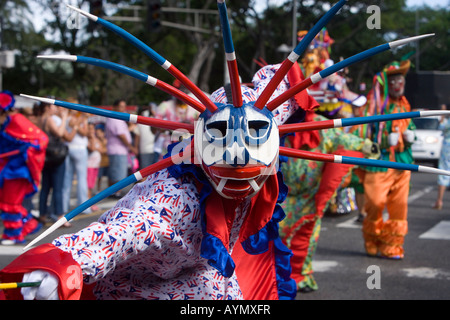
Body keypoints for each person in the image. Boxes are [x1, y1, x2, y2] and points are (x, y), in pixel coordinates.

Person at [359, 59, 416, 259]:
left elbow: (410, 126)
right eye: (394, 81)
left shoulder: (405, 105)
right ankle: (372, 240)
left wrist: (410, 137)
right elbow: (361, 138)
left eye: (401, 80)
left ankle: (392, 246)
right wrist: (383, 142)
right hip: (379, 164)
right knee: (374, 203)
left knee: (399, 207)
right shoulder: (374, 106)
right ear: (386, 84)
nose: (399, 85)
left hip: (402, 164)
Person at [0, 91, 48, 245]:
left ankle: (14, 235)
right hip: (7, 169)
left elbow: (41, 139)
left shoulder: (17, 120)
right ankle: (26, 225)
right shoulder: (3, 124)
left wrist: (27, 149)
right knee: (7, 201)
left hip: (19, 171)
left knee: (11, 202)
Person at [38, 101, 71, 226]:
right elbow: (60, 133)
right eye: (53, 105)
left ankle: (42, 214)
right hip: (55, 156)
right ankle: (60, 216)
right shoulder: (49, 119)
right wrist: (63, 119)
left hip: (46, 156)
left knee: (45, 187)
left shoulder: (40, 119)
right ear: (47, 107)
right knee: (58, 187)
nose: (55, 108)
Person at [105, 99, 138, 197]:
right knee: (117, 172)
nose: (123, 109)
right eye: (121, 107)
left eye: (124, 107)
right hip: (117, 150)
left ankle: (114, 191)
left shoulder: (119, 119)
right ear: (115, 107)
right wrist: (131, 147)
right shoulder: (114, 118)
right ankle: (116, 192)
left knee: (116, 171)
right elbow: (121, 136)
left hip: (120, 150)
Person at [61, 105, 90, 215]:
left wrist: (81, 121)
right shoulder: (75, 118)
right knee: (81, 179)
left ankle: (64, 206)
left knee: (67, 179)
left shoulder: (69, 118)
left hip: (71, 148)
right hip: (79, 149)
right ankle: (84, 207)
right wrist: (82, 120)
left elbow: (85, 133)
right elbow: (83, 132)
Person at [432, 104, 450, 210]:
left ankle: (439, 200)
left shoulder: (448, 122)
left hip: (447, 149)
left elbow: (441, 127)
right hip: (447, 149)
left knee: (443, 172)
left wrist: (443, 113)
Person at [87, 122, 105, 212]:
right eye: (89, 129)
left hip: (95, 165)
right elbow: (93, 148)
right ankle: (89, 203)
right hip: (89, 165)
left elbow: (102, 149)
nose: (91, 131)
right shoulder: (88, 139)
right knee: (89, 186)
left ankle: (91, 202)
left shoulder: (96, 139)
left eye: (92, 129)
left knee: (92, 185)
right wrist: (93, 138)